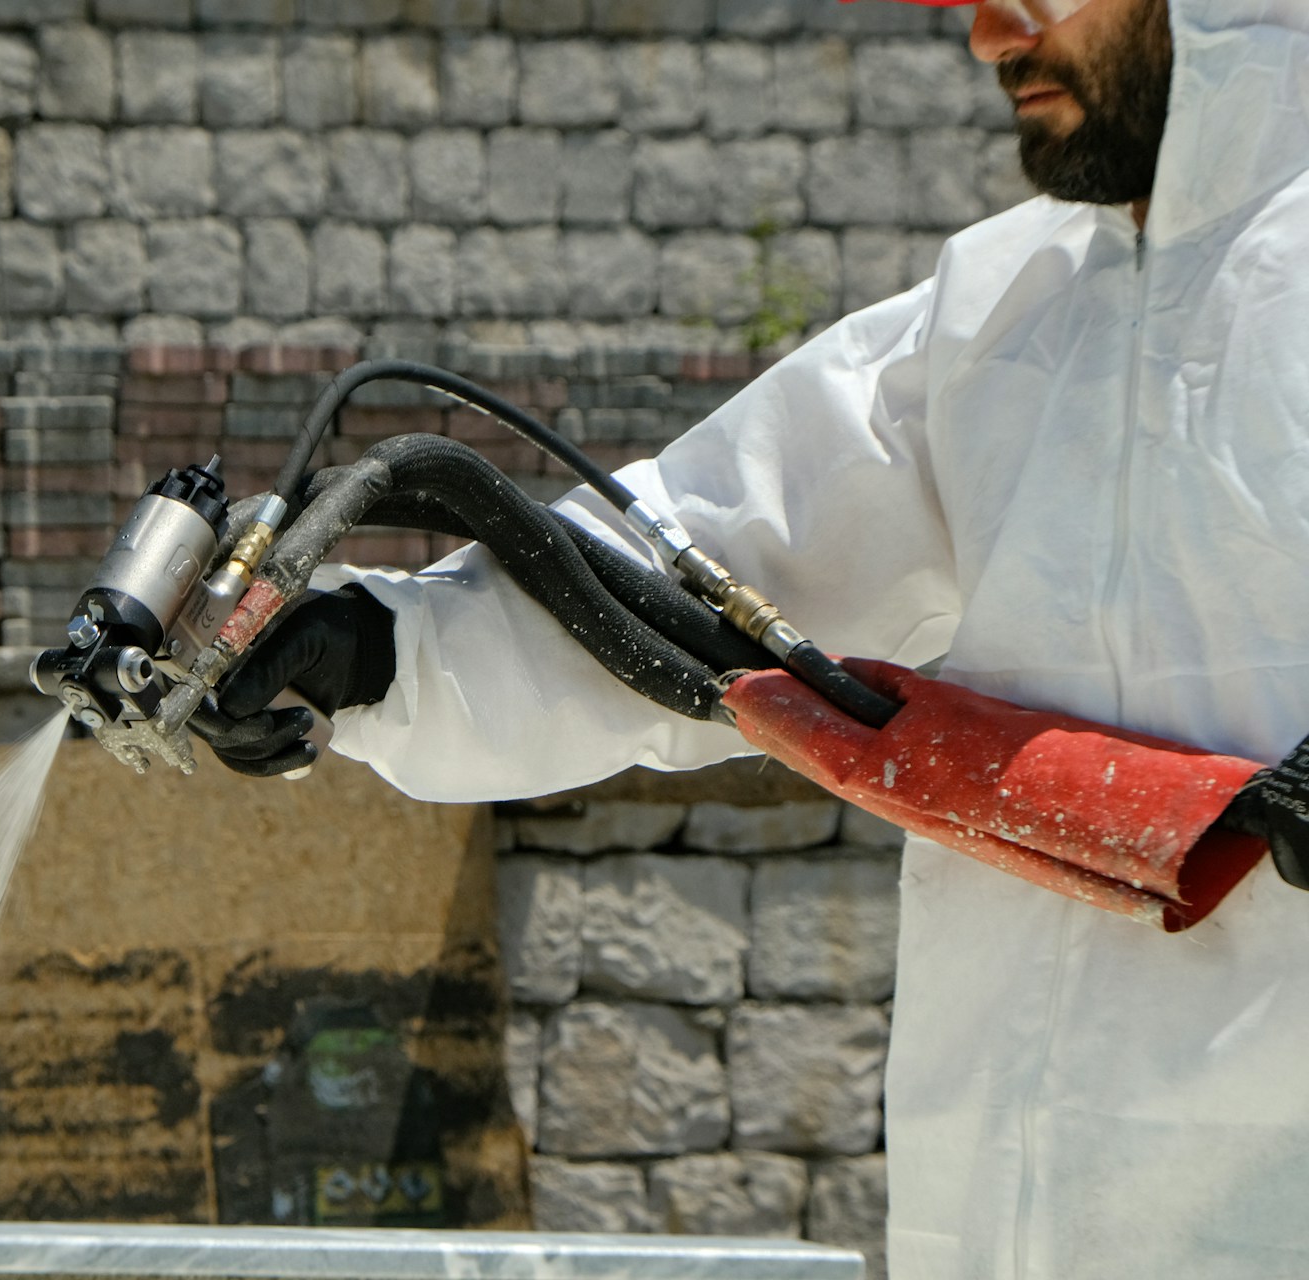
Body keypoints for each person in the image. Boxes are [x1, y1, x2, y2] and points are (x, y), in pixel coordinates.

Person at [203, 0, 1309, 1275]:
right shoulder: (1006, 314)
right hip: (1014, 1218)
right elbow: (715, 562)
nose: (988, 34)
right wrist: (377, 655)